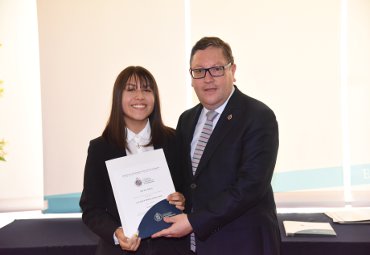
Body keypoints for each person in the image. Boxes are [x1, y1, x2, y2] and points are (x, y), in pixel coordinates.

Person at [152, 37, 281, 255]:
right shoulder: (187, 119)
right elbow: (189, 180)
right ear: (191, 78)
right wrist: (179, 197)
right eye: (199, 71)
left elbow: (250, 187)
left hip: (242, 244)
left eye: (217, 69)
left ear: (233, 70)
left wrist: (194, 221)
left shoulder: (258, 116)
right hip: (195, 245)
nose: (208, 79)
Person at [80, 66, 189, 255]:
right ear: (118, 97)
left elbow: (191, 190)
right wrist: (116, 233)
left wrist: (183, 200)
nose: (140, 96)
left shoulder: (175, 140)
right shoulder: (100, 148)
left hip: (170, 249)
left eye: (146, 89)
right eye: (131, 89)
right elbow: (91, 209)